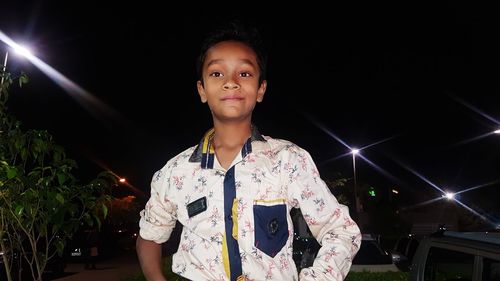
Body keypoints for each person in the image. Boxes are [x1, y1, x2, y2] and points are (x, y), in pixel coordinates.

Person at [136, 21, 361, 281]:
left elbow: (341, 230)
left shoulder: (287, 160)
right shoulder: (176, 171)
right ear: (202, 90)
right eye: (217, 73)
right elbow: (149, 237)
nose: (230, 83)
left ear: (260, 89)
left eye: (244, 73)